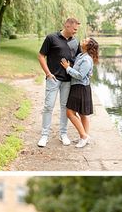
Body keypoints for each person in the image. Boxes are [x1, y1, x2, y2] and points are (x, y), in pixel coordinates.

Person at [37, 18, 81, 148]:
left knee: (65, 108)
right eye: (74, 29)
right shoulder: (51, 38)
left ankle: (63, 134)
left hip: (68, 81)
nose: (75, 32)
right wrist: (48, 74)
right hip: (53, 79)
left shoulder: (75, 41)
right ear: (67, 26)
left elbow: (78, 59)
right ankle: (44, 135)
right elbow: (41, 56)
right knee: (48, 106)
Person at [60, 37, 100, 149]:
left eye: (86, 40)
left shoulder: (87, 59)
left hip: (80, 88)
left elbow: (80, 75)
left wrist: (68, 68)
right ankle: (85, 137)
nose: (83, 40)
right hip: (79, 87)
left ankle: (83, 136)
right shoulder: (80, 56)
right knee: (82, 114)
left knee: (70, 113)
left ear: (88, 46)